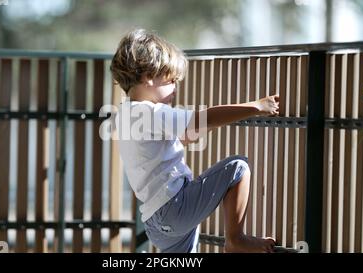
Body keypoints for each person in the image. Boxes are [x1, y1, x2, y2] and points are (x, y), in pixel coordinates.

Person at [111, 29, 279, 253]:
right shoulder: (150, 112)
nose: (175, 88)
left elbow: (181, 138)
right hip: (174, 207)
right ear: (147, 77)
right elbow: (203, 119)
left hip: (154, 222)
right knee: (238, 168)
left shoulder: (125, 114)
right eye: (171, 80)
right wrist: (256, 106)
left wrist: (198, 129)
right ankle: (236, 239)